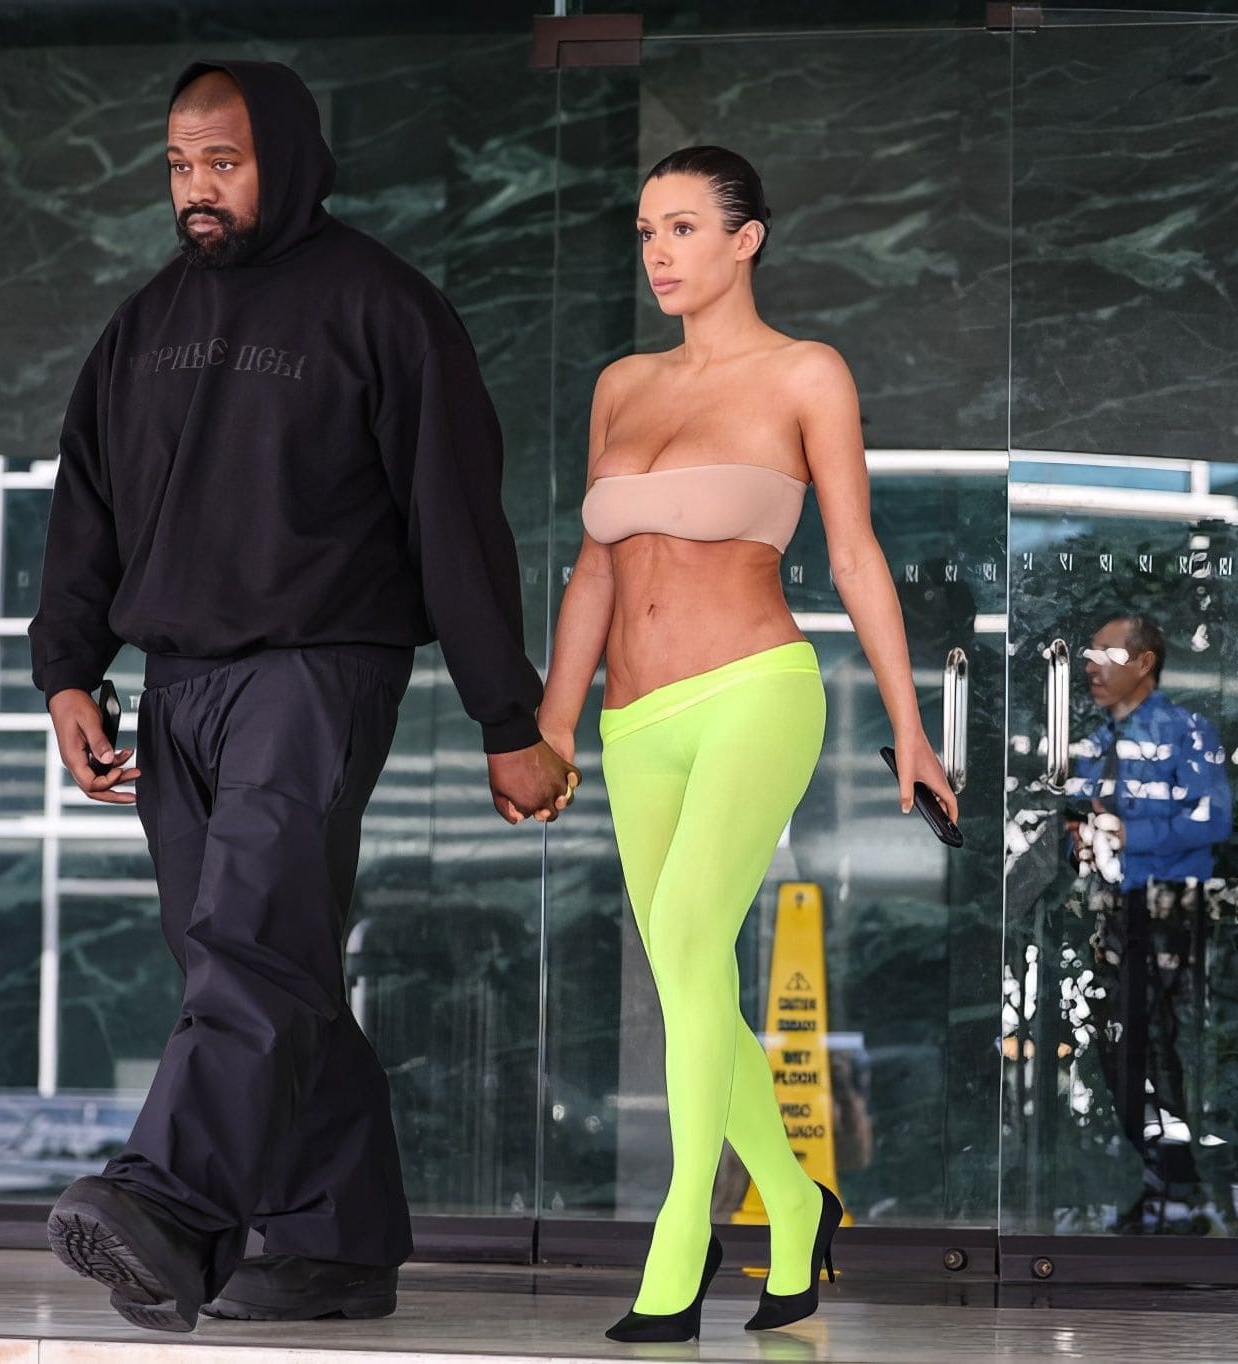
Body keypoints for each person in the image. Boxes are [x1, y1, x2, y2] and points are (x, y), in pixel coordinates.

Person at [27, 60, 578, 1333]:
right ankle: (335, 1241)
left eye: (221, 162)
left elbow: (455, 519)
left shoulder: (383, 307)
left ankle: (167, 1204)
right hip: (176, 680)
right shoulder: (144, 323)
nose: (196, 187)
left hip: (317, 668)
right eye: (179, 165)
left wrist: (506, 716)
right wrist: (65, 671)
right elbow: (83, 505)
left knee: (250, 939)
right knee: (248, 957)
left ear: (284, 157)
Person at [537, 146, 956, 1342]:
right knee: (685, 974)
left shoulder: (804, 372)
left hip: (753, 691)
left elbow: (855, 553)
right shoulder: (621, 384)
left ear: (745, 237)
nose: (656, 252)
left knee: (682, 937)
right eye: (644, 232)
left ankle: (683, 1233)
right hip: (632, 722)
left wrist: (911, 725)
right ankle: (793, 1194)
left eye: (680, 227)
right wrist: (553, 722)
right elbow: (592, 571)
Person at [1065, 612, 1233, 1231]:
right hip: (1110, 916)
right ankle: (1154, 1179)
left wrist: (1131, 833)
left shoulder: (1185, 733)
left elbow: (1212, 819)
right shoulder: (1095, 741)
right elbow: (1080, 819)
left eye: (1107, 653)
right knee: (1117, 1050)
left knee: (1170, 1049)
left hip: (1169, 914)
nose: (1092, 665)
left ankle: (1186, 1186)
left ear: (1145, 663)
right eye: (1090, 653)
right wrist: (1079, 839)